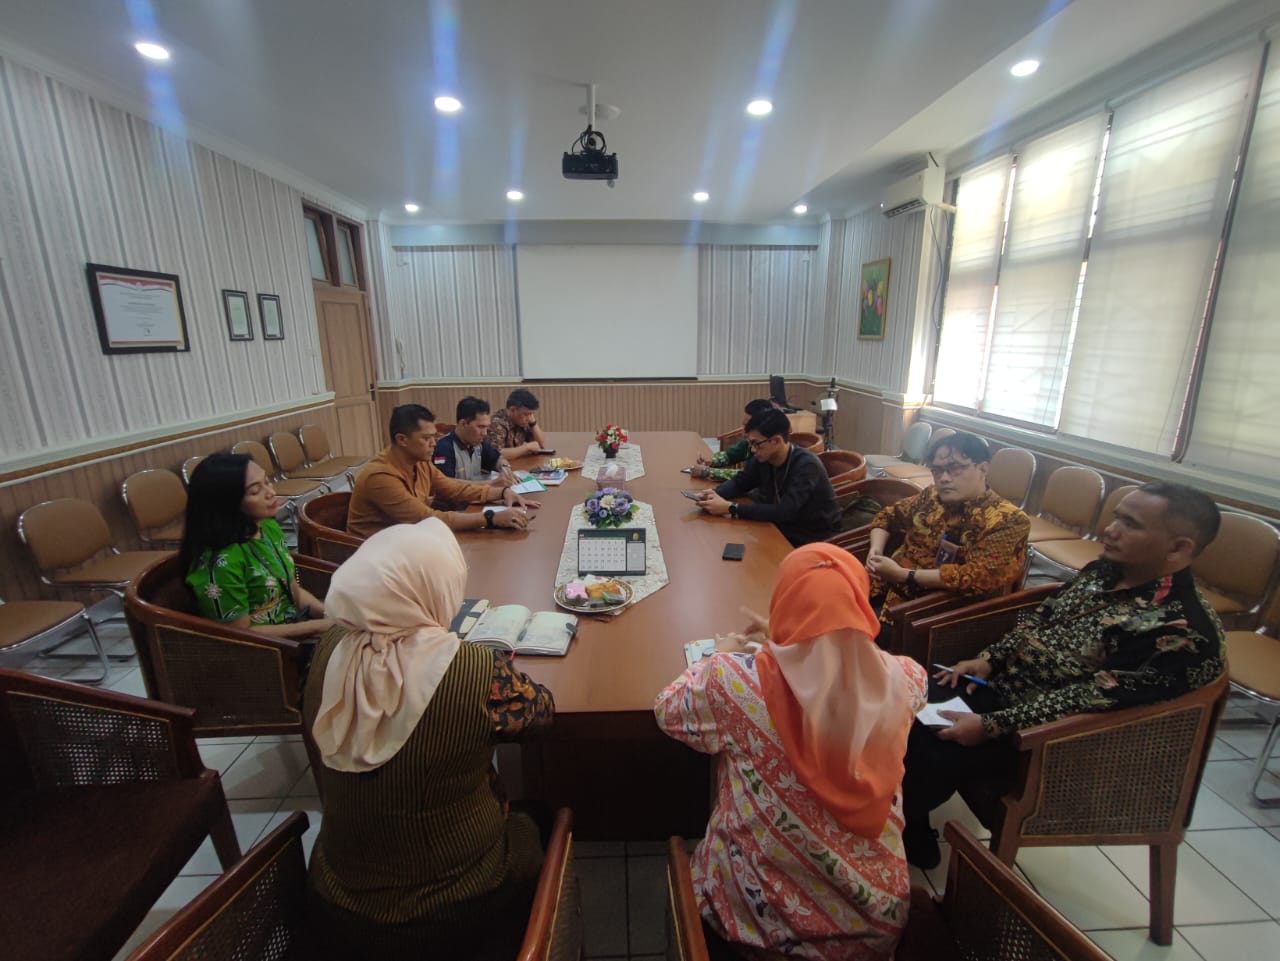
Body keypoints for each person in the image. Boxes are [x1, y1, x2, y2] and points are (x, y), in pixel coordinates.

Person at [901, 481, 1227, 869]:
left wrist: (992, 724)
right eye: (1116, 516)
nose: (1110, 529)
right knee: (904, 699)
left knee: (932, 751)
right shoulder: (1104, 570)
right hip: (998, 690)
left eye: (1131, 524)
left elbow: (1091, 701)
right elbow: (1042, 619)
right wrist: (990, 658)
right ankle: (908, 823)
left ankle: (875, 837)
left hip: (1050, 743)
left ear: (1178, 548)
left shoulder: (1180, 629)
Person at [655, 544, 927, 961]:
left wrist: (722, 651)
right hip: (875, 922)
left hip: (762, 925)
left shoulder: (731, 681)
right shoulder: (906, 679)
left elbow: (668, 711)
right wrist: (803, 641)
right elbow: (844, 671)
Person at [305, 518, 555, 961]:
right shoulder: (472, 668)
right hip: (458, 893)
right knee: (535, 821)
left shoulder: (330, 650)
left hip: (339, 890)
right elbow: (540, 717)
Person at [865, 432, 1029, 625]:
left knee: (842, 632)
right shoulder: (931, 496)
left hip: (925, 615)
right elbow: (889, 516)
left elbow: (976, 577)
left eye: (954, 469)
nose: (943, 478)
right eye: (937, 470)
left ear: (983, 469)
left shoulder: (1007, 520)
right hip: (880, 585)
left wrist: (904, 575)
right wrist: (875, 549)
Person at [180, 453, 332, 638]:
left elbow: (292, 588)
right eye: (255, 491)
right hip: (269, 651)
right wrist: (318, 627)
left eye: (267, 482)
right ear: (227, 502)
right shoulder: (222, 563)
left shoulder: (267, 528)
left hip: (296, 629)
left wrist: (329, 615)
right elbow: (240, 633)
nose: (271, 493)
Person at [347, 404, 536, 538]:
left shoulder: (418, 461)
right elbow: (427, 519)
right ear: (402, 440)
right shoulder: (380, 476)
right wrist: (490, 517)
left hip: (406, 539)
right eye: (427, 438)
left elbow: (454, 488)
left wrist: (502, 492)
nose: (434, 443)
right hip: (377, 554)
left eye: (434, 437)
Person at [696, 408, 840, 546]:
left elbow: (785, 511)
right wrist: (714, 494)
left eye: (756, 444)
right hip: (778, 526)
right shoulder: (763, 458)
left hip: (811, 537)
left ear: (776, 441)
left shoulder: (807, 465)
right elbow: (740, 483)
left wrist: (731, 508)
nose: (752, 450)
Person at [690, 398, 775, 481]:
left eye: (749, 426)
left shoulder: (767, 447)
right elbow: (729, 455)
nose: (743, 430)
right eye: (743, 425)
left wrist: (707, 472)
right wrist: (711, 461)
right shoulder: (748, 443)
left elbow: (748, 476)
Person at [433, 396, 515, 482]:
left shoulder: (479, 442)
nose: (485, 433)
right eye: (480, 427)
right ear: (463, 424)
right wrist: (491, 484)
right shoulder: (443, 448)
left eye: (486, 427)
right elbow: (446, 485)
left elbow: (497, 458)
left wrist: (504, 467)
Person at [487, 388, 547, 460]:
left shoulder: (523, 420)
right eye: (526, 414)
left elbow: (540, 444)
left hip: (515, 465)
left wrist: (533, 423)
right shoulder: (497, 424)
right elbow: (495, 454)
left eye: (531, 414)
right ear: (513, 410)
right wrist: (526, 448)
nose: (529, 418)